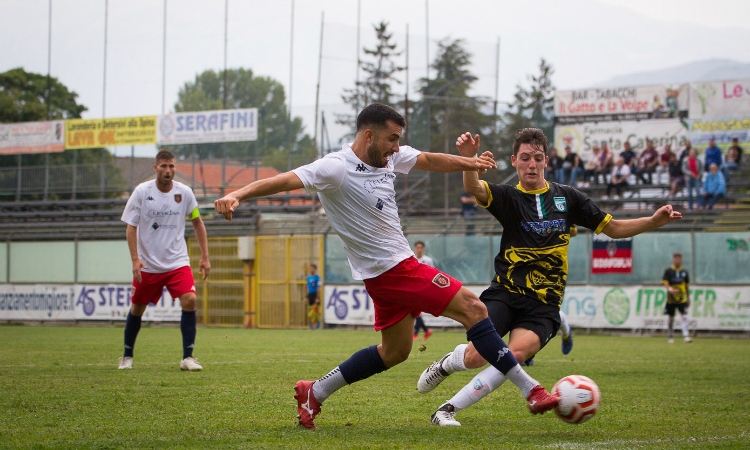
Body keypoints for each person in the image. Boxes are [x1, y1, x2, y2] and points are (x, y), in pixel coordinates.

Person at [213, 103, 558, 429]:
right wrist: (237, 195)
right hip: (395, 270)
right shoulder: (335, 167)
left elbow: (429, 159)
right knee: (474, 308)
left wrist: (469, 163)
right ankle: (531, 390)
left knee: (396, 352)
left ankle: (314, 392)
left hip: (385, 274)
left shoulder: (389, 159)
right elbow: (285, 180)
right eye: (391, 138)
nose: (396, 147)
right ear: (368, 136)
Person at [418, 127, 682, 427]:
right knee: (477, 356)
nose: (532, 164)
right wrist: (469, 160)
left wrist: (653, 221)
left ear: (546, 162)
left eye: (538, 158)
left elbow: (613, 229)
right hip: (505, 292)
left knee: (513, 355)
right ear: (515, 161)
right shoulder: (509, 196)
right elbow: (475, 189)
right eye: (526, 158)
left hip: (545, 303)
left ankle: (447, 410)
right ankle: (450, 362)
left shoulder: (568, 198)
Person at [118, 149, 211, 371]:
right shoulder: (142, 192)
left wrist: (205, 256)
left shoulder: (185, 193)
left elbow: (197, 222)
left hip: (177, 262)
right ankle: (127, 356)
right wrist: (135, 259)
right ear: (156, 168)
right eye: (164, 166)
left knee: (189, 300)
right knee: (137, 308)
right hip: (148, 265)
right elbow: (131, 226)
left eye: (171, 166)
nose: (168, 170)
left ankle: (188, 357)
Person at [662, 252, 692, 344]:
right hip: (671, 299)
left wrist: (688, 298)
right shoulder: (668, 271)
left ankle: (686, 335)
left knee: (684, 316)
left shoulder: (684, 272)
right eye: (676, 259)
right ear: (673, 260)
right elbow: (665, 283)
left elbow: (686, 286)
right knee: (671, 317)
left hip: (682, 298)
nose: (677, 261)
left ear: (682, 260)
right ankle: (671, 335)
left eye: (679, 259)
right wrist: (671, 289)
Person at [412, 241, 434, 341]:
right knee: (416, 311)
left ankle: (416, 332)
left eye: (421, 247)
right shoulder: (412, 259)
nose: (419, 249)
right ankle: (425, 331)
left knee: (416, 310)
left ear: (423, 249)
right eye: (417, 247)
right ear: (415, 249)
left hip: (424, 288)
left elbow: (433, 273)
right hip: (414, 288)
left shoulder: (428, 260)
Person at [306, 264, 321, 330]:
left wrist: (317, 297)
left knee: (316, 310)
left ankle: (318, 325)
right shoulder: (308, 278)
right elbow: (308, 287)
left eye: (312, 268)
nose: (310, 269)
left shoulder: (317, 277)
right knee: (310, 310)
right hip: (310, 295)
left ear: (315, 269)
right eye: (310, 268)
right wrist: (306, 297)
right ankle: (312, 326)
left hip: (315, 294)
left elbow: (318, 287)